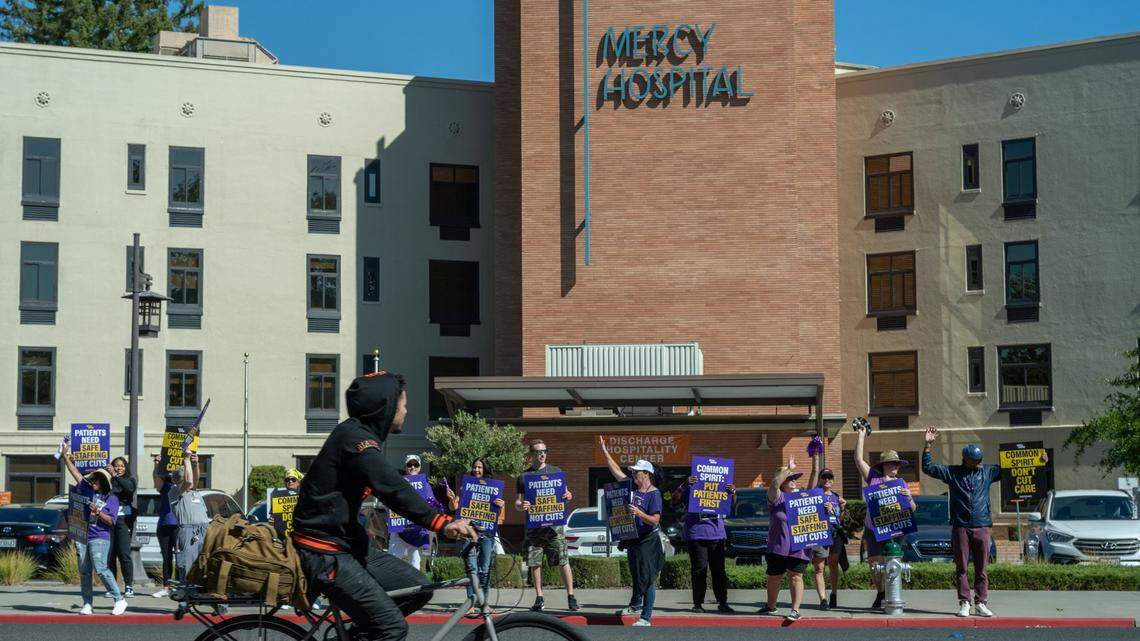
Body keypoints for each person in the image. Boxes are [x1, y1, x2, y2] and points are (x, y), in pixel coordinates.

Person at [292, 372, 475, 641]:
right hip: (324, 552)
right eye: (402, 404)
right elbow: (394, 489)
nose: (406, 410)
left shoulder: (359, 436)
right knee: (391, 628)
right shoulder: (356, 441)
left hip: (348, 544)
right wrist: (442, 523)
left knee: (419, 588)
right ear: (385, 406)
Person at [922, 427, 1019, 618]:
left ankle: (981, 603)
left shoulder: (988, 471)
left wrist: (1039, 462)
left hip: (982, 525)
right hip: (961, 526)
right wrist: (927, 445)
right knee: (962, 567)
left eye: (980, 460)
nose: (979, 463)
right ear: (965, 459)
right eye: (975, 461)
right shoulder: (953, 473)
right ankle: (964, 602)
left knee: (982, 568)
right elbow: (928, 468)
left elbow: (1013, 469)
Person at [598, 437, 665, 627]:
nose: (633, 474)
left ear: (646, 474)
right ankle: (635, 605)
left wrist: (639, 513)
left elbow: (655, 520)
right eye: (633, 472)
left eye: (637, 472)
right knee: (636, 574)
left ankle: (646, 617)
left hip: (648, 540)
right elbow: (616, 471)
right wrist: (604, 451)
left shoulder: (654, 494)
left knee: (648, 577)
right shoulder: (631, 487)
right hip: (633, 538)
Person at [853, 421, 916, 610]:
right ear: (883, 465)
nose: (894, 466)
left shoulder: (902, 484)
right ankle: (881, 592)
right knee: (874, 563)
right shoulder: (874, 478)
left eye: (896, 463)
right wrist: (861, 435)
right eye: (890, 463)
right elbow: (858, 459)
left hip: (896, 530)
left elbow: (912, 509)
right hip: (874, 528)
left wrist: (910, 498)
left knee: (893, 563)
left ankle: (892, 595)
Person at [61, 445, 128, 616]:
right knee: (84, 571)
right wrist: (65, 456)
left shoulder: (111, 498)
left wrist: (98, 512)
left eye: (96, 480)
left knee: (101, 569)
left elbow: (111, 521)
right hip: (82, 536)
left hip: (100, 537)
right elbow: (75, 472)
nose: (92, 482)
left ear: (103, 482)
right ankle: (87, 604)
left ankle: (119, 599)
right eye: (91, 480)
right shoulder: (85, 488)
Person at [514, 438, 579, 612]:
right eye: (537, 451)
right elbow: (518, 503)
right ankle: (539, 597)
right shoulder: (524, 477)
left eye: (544, 451)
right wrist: (522, 506)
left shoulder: (556, 472)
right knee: (535, 562)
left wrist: (569, 496)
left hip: (554, 527)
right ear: (531, 454)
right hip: (534, 527)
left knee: (563, 560)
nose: (542, 454)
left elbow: (565, 494)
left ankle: (571, 597)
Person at [446, 457, 506, 617]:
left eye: (479, 467)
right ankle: (471, 603)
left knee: (485, 569)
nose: (476, 470)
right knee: (471, 568)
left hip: (487, 532)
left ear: (485, 469)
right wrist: (451, 498)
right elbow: (454, 508)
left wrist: (500, 505)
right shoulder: (466, 486)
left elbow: (500, 515)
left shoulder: (493, 487)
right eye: (474, 467)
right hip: (468, 532)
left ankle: (484, 603)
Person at [672, 470, 735, 613]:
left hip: (717, 534)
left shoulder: (721, 487)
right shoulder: (691, 487)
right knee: (699, 570)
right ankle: (698, 604)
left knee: (719, 571)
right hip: (696, 534)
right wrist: (684, 485)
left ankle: (723, 602)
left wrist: (733, 492)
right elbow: (674, 500)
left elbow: (731, 505)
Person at [758, 457, 809, 622]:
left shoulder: (801, 497)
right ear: (782, 482)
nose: (794, 480)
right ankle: (771, 606)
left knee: (796, 576)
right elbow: (773, 484)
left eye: (794, 478)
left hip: (798, 546)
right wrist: (788, 468)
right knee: (774, 577)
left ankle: (795, 610)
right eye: (790, 478)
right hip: (778, 546)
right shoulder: (776, 498)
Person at [806, 450, 847, 610]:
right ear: (820, 480)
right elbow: (807, 511)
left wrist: (842, 509)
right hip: (820, 533)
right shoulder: (814, 494)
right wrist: (815, 459)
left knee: (833, 565)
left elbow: (839, 521)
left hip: (835, 533)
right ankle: (823, 599)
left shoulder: (837, 496)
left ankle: (834, 594)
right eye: (824, 477)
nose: (827, 480)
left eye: (830, 477)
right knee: (819, 567)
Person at [169, 451, 211, 580]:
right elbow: (188, 481)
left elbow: (193, 480)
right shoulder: (175, 491)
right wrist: (186, 460)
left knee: (205, 562)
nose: (189, 481)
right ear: (175, 480)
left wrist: (196, 463)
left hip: (204, 528)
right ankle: (186, 589)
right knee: (187, 562)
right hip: (188, 530)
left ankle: (201, 588)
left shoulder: (193, 491)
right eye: (182, 478)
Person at [389, 454, 431, 569]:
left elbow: (432, 506)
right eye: (409, 465)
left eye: (415, 465)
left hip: (417, 532)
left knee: (415, 567)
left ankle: (414, 587)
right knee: (393, 565)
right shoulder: (398, 483)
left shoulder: (425, 486)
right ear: (405, 467)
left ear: (420, 467)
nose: (412, 467)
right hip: (399, 530)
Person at [106, 456, 137, 599]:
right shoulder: (108, 480)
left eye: (122, 466)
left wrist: (114, 476)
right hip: (107, 520)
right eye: (116, 465)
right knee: (110, 554)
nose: (119, 468)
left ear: (126, 468)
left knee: (124, 554)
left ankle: (129, 586)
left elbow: (128, 489)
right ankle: (112, 587)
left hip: (123, 520)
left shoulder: (130, 480)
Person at [151, 454, 180, 598]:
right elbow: (156, 480)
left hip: (179, 526)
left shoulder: (182, 487)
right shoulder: (166, 486)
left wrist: (192, 462)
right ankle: (167, 587)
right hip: (164, 525)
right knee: (167, 557)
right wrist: (157, 463)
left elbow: (193, 479)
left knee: (181, 557)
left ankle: (181, 586)